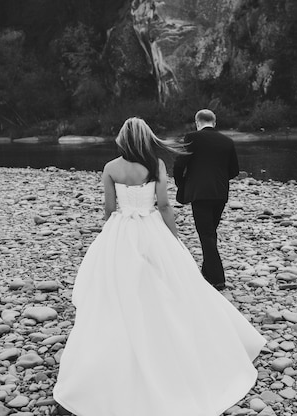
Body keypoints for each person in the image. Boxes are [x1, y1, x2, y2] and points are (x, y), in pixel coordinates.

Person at [53, 117, 265, 416]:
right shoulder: (155, 166)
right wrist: (174, 238)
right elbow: (164, 205)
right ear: (146, 138)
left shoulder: (111, 168)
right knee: (172, 286)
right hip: (151, 228)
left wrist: (108, 232)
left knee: (117, 289)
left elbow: (109, 208)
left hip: (121, 230)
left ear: (122, 139)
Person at [173, 109, 239, 291]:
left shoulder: (192, 137)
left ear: (197, 122)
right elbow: (234, 170)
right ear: (214, 122)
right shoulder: (228, 141)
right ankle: (207, 273)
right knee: (210, 234)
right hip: (220, 193)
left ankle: (218, 279)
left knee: (206, 235)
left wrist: (183, 184)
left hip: (200, 194)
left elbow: (179, 164)